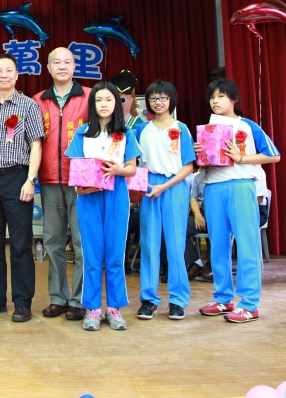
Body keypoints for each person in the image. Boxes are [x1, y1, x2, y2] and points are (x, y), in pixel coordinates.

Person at [196, 78, 280, 323]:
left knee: (246, 245)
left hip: (241, 185)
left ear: (233, 99)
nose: (215, 101)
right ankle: (223, 298)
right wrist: (200, 154)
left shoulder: (248, 126)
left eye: (221, 96)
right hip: (213, 187)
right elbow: (202, 165)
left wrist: (241, 158)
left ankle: (250, 304)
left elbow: (273, 156)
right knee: (218, 246)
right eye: (212, 97)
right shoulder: (207, 128)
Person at [0, 53, 45, 323]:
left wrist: (30, 180)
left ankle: (22, 302)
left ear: (16, 75)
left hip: (17, 178)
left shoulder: (28, 106)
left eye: (9, 70)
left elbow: (36, 144)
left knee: (21, 244)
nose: (4, 75)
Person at [65, 82, 141, 331]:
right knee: (91, 254)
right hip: (89, 197)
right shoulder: (82, 133)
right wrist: (79, 189)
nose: (104, 104)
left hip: (116, 194)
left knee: (115, 254)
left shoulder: (125, 133)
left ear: (116, 103)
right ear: (92, 104)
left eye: (109, 99)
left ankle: (115, 309)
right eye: (99, 100)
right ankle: (93, 308)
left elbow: (132, 168)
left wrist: (119, 170)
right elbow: (75, 169)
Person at [31, 47, 89, 320]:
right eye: (57, 62)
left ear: (74, 66)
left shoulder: (90, 96)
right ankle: (58, 298)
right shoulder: (38, 100)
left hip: (82, 182)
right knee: (53, 241)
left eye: (67, 62)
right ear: (49, 68)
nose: (62, 66)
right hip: (50, 180)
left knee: (81, 242)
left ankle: (79, 299)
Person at [134, 80, 195, 321]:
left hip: (174, 186)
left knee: (175, 244)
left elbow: (189, 166)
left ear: (171, 100)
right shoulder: (141, 129)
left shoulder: (181, 129)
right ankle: (148, 300)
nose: (158, 102)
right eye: (153, 98)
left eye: (163, 98)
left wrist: (165, 186)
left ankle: (178, 300)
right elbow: (134, 162)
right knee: (149, 244)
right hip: (149, 186)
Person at [185, 168, 213, 281]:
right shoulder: (198, 177)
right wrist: (198, 215)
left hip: (217, 213)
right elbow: (193, 199)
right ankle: (196, 263)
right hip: (202, 213)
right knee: (179, 227)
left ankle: (213, 264)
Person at [109, 70, 145, 134]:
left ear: (132, 99)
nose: (120, 104)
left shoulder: (139, 124)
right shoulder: (108, 122)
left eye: (123, 100)